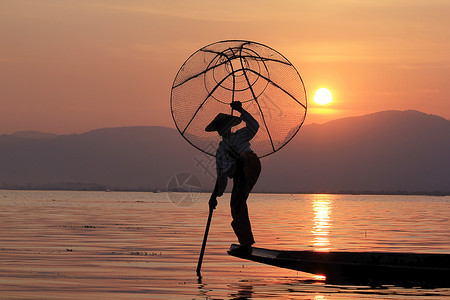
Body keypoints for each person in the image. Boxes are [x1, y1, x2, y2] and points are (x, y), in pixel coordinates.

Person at [205, 101, 261, 252]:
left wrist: (240, 110)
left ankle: (246, 244)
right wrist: (214, 196)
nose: (222, 130)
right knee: (237, 204)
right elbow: (221, 177)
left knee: (237, 204)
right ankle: (245, 242)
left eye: (224, 125)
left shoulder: (240, 135)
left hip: (248, 164)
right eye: (219, 127)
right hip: (241, 173)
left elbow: (254, 126)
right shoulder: (220, 150)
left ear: (229, 125)